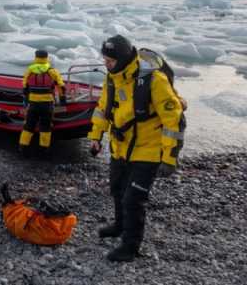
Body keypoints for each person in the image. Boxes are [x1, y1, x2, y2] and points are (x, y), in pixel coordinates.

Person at [89, 35, 185, 262]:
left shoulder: (154, 80)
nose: (106, 64)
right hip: (120, 147)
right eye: (104, 60)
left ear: (122, 59)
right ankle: (120, 226)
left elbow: (174, 120)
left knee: (133, 200)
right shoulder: (113, 79)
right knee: (118, 189)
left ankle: (130, 247)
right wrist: (95, 137)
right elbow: (102, 109)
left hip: (149, 150)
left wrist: (170, 157)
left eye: (110, 61)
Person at [19, 50, 66, 151]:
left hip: (33, 104)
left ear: (35, 57)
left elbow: (25, 87)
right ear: (46, 57)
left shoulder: (29, 70)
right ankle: (43, 149)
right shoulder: (52, 71)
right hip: (47, 104)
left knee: (29, 126)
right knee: (45, 127)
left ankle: (23, 147)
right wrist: (62, 101)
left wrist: (27, 101)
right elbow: (61, 86)